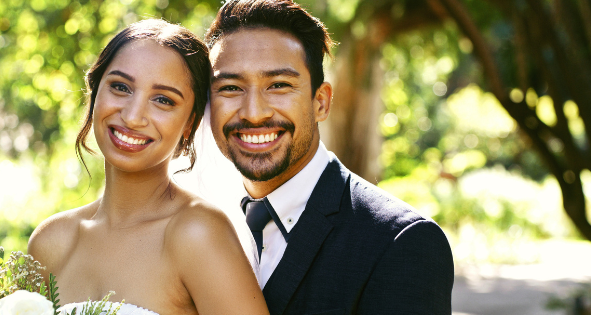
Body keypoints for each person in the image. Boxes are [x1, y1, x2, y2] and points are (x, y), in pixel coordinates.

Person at [204, 0, 455, 314]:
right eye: (230, 88)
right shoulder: (196, 223)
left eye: (279, 85)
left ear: (320, 102)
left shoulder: (402, 243)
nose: (254, 113)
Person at [28, 19, 269, 315]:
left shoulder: (197, 234)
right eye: (120, 87)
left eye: (163, 100)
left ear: (189, 124)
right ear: (95, 93)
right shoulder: (50, 242)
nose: (132, 116)